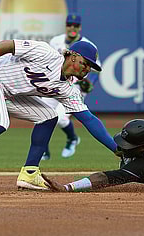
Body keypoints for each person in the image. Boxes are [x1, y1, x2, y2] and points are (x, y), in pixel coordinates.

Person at [0, 39, 118, 191]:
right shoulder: (46, 53)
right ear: (72, 55)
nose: (86, 70)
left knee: (48, 116)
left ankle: (30, 173)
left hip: (10, 94)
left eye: (89, 68)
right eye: (85, 64)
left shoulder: (68, 90)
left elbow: (88, 119)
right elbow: (8, 45)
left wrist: (117, 149)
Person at [41, 13, 101, 160]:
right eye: (69, 24)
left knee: (61, 118)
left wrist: (89, 83)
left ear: (80, 27)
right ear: (66, 26)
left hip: (75, 87)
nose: (72, 27)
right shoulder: (56, 41)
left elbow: (96, 69)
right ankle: (43, 149)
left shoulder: (88, 45)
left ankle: (72, 138)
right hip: (56, 82)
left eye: (75, 25)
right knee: (42, 115)